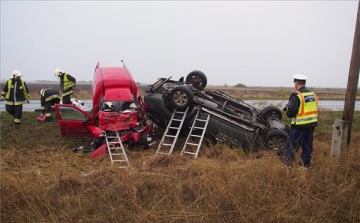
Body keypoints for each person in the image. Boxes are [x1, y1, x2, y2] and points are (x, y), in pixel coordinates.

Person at [282, 74, 319, 169]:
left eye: (294, 82)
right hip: (311, 126)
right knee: (307, 148)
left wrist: (288, 111)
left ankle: (286, 167)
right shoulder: (313, 94)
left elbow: (291, 113)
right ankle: (304, 168)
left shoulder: (296, 95)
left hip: (298, 126)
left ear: (297, 82)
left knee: (290, 147)